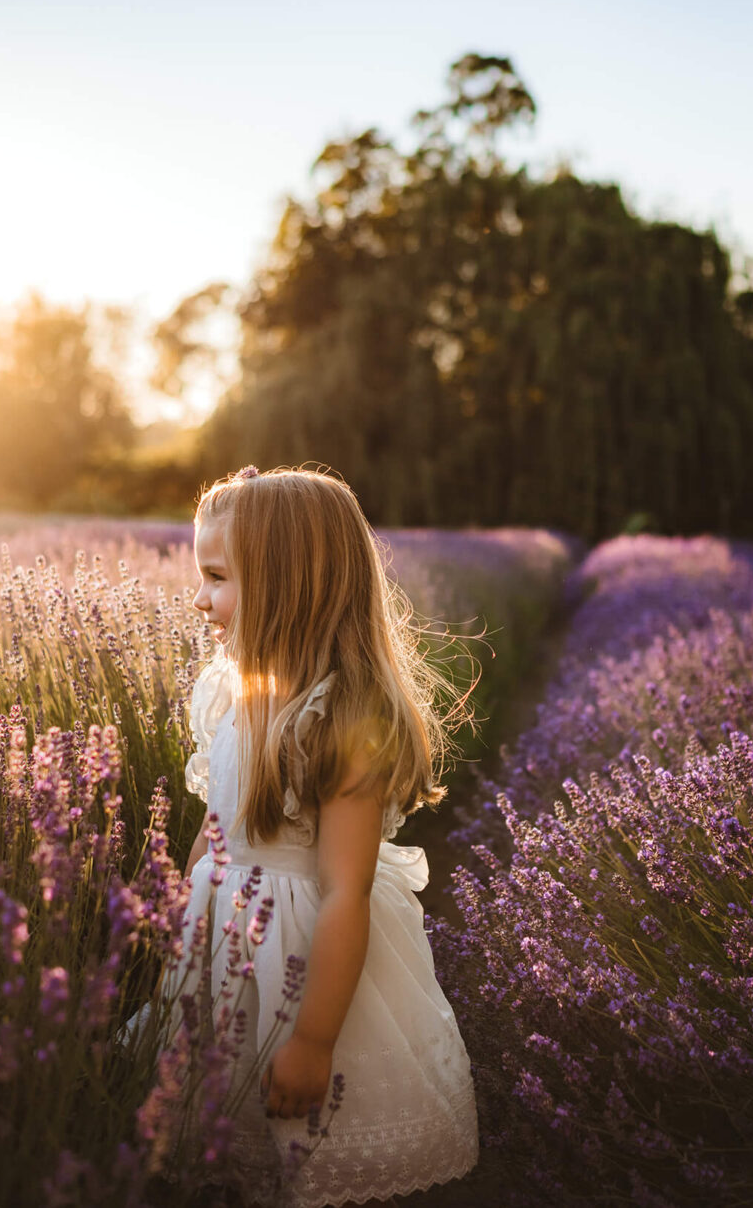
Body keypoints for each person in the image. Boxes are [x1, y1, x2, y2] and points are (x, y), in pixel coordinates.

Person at [160, 463, 479, 1207]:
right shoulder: (232, 697)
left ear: (284, 585)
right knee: (223, 1143)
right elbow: (217, 829)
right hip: (223, 949)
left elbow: (347, 890)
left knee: (306, 1150)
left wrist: (313, 1039)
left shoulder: (339, 720)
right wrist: (176, 914)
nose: (198, 597)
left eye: (216, 576)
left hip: (305, 963)